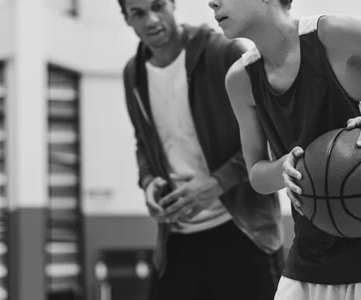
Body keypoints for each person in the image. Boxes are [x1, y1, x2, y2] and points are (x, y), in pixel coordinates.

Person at [210, 0, 361, 299]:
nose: (211, 2)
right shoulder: (240, 79)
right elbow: (256, 176)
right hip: (308, 254)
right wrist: (284, 168)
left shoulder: (333, 35)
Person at [118, 0, 285, 299]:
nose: (152, 19)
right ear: (127, 19)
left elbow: (273, 136)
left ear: (172, 4)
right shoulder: (133, 74)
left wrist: (216, 183)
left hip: (243, 230)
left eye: (158, 6)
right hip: (178, 237)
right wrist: (147, 182)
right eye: (139, 13)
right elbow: (143, 143)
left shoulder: (224, 53)